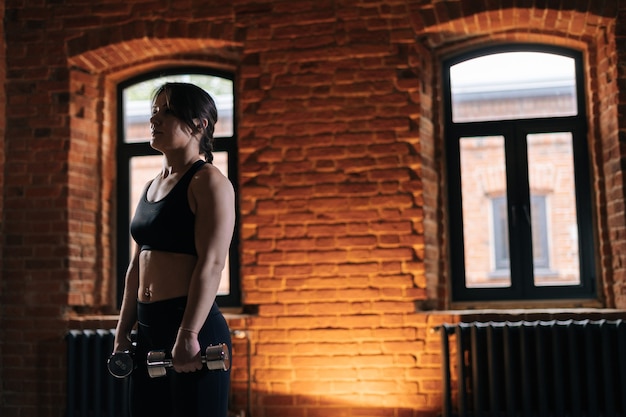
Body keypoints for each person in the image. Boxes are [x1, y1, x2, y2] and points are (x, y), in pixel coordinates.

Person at [112, 82, 235, 417]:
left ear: (199, 124)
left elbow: (212, 264)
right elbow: (137, 266)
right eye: (154, 110)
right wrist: (122, 332)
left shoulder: (209, 182)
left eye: (167, 111)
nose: (155, 118)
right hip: (149, 331)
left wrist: (189, 333)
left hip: (191, 328)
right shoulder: (151, 185)